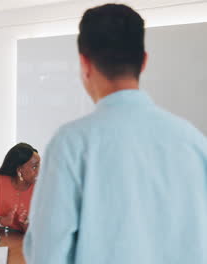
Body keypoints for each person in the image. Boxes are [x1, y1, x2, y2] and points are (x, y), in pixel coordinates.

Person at [24, 4, 207, 264]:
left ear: (84, 63)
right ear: (143, 61)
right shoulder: (194, 142)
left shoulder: (70, 144)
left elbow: (47, 255)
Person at [0, 143, 40, 233]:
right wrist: (2, 221)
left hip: (26, 244)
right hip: (0, 241)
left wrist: (26, 225)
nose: (40, 171)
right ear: (19, 170)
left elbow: (45, 231)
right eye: (34, 167)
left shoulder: (41, 187)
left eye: (39, 165)